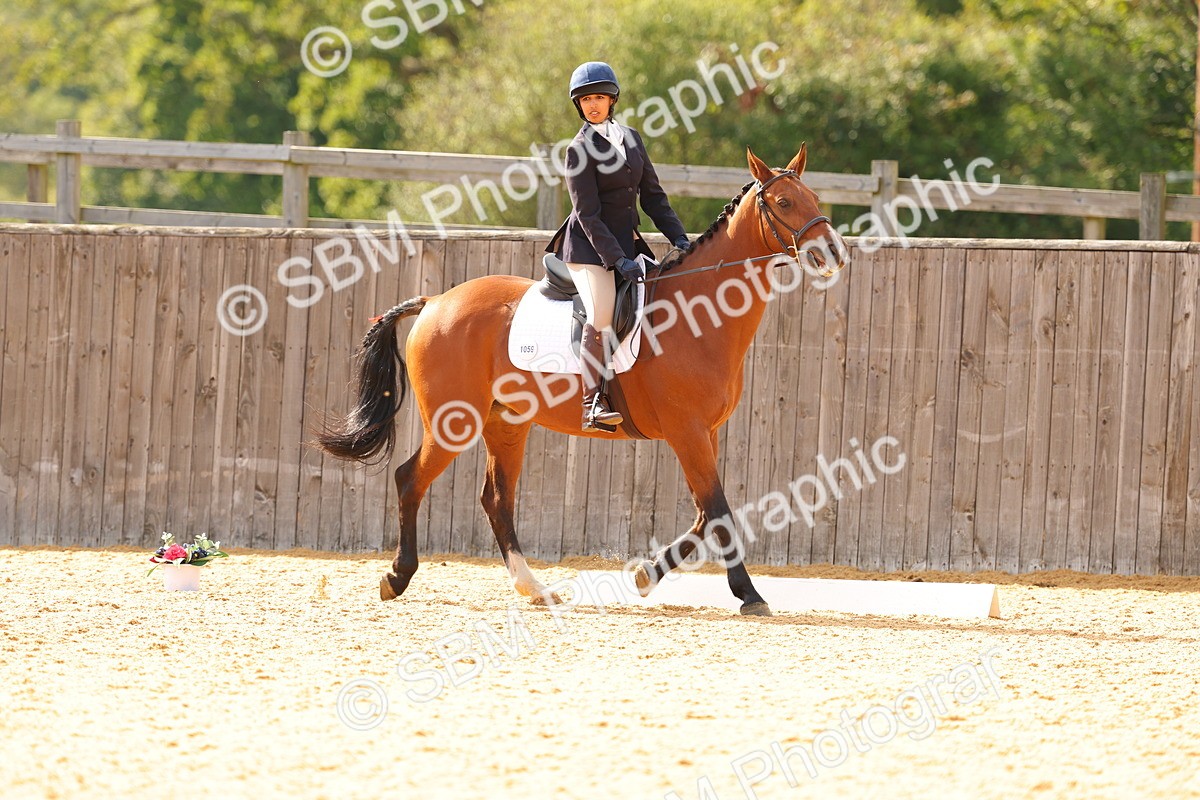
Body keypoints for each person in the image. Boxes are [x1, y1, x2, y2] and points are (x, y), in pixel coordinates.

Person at [547, 61, 692, 432]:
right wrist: (617, 260)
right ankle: (592, 402)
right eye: (586, 100)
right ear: (578, 105)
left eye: (600, 98)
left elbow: (653, 197)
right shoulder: (578, 150)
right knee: (601, 315)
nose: (593, 105)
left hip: (629, 246)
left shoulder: (631, 138)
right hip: (589, 251)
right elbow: (588, 215)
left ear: (612, 100)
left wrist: (678, 236)